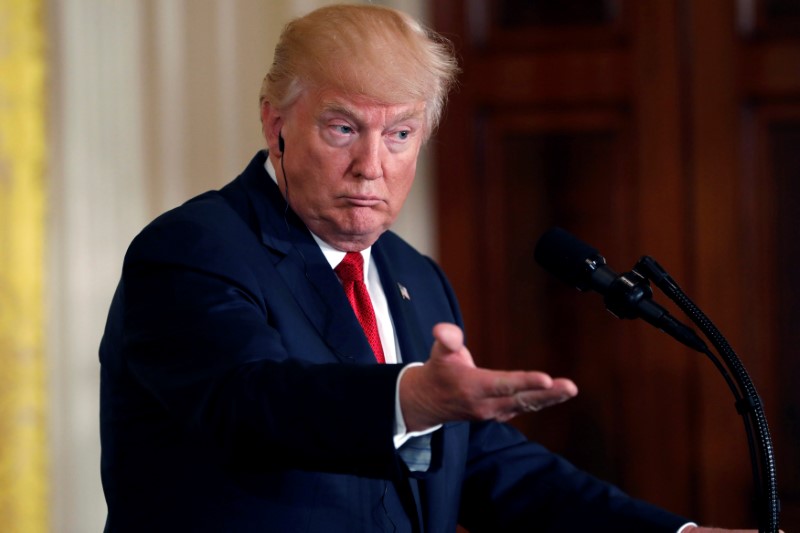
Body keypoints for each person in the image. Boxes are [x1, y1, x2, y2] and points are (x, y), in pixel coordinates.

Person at [99, 4, 765, 532]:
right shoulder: (193, 249)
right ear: (276, 121)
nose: (372, 165)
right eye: (342, 128)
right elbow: (254, 402)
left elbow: (481, 463)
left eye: (399, 134)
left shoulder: (412, 274)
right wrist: (407, 398)